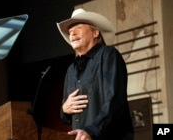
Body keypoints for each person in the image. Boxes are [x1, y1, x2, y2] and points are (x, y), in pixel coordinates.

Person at [56, 8, 134, 140]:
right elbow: (65, 117)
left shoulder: (108, 55)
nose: (72, 34)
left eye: (78, 28)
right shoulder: (71, 70)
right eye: (70, 32)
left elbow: (115, 101)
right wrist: (64, 109)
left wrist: (91, 131)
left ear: (95, 32)